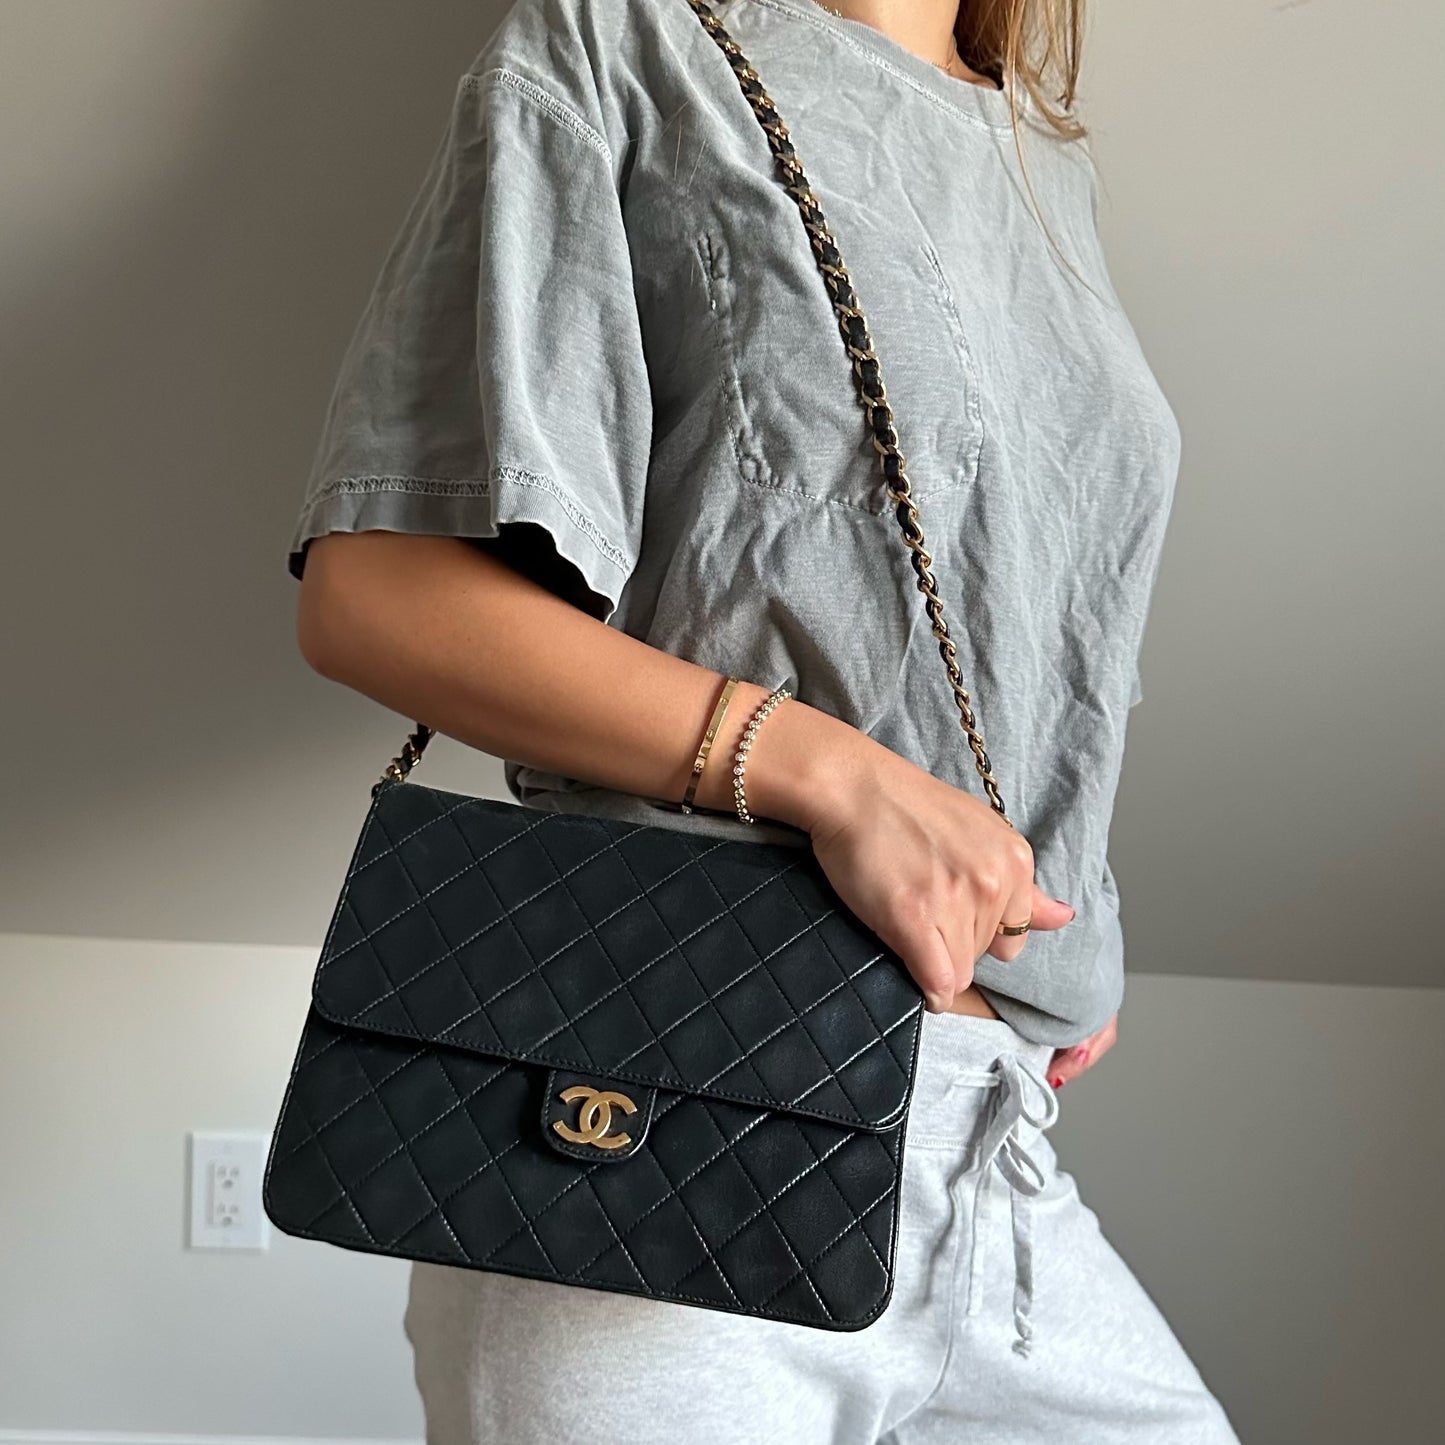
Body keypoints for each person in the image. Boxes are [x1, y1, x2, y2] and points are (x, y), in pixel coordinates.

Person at [285, 0, 1240, 1438]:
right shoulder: (628, 43)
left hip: (991, 1145)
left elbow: (1025, 608)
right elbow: (378, 594)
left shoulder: (1045, 163)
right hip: (658, 1119)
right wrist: (835, 779)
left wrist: (1059, 923)